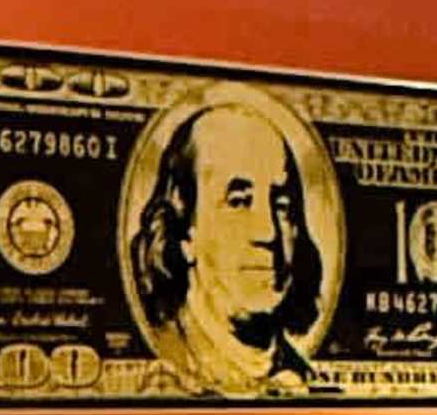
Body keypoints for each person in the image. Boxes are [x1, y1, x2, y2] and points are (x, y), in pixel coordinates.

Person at [123, 90, 330, 394]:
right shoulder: (169, 369)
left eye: (281, 205)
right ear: (184, 232)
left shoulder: (302, 374)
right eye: (239, 201)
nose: (268, 232)